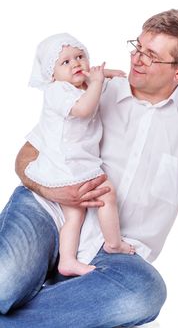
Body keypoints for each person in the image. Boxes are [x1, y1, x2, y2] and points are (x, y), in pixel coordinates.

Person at [0, 9, 178, 327]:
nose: (136, 59)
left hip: (116, 249)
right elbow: (26, 155)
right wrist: (50, 190)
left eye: (150, 56)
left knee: (144, 293)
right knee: (4, 283)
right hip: (49, 211)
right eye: (138, 47)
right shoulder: (94, 88)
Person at [24, 33, 134, 277]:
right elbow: (83, 109)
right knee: (106, 192)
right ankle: (113, 243)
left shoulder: (80, 85)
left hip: (73, 163)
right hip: (69, 164)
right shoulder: (57, 91)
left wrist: (106, 74)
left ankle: (68, 261)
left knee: (74, 216)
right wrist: (96, 82)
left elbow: (93, 76)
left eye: (80, 56)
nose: (76, 63)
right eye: (66, 62)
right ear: (51, 74)